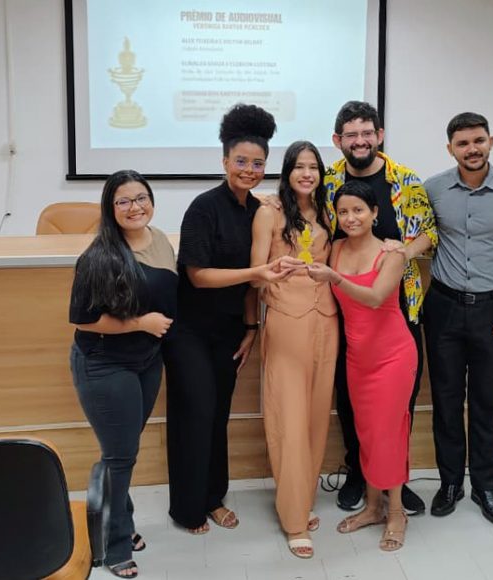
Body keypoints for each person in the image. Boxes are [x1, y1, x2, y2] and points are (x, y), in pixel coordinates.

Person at [164, 103, 299, 535]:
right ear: (224, 162)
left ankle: (214, 498)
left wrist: (251, 328)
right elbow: (199, 277)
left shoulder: (258, 211)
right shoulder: (203, 208)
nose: (249, 169)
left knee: (218, 414)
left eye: (258, 163)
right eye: (241, 161)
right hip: (187, 331)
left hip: (228, 333)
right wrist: (256, 273)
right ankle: (187, 509)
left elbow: (247, 288)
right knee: (196, 414)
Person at [422, 112, 493, 526]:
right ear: (450, 148)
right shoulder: (432, 189)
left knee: (488, 403)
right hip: (443, 308)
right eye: (462, 143)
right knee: (447, 400)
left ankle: (485, 487)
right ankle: (450, 483)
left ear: (491, 141)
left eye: (478, 141)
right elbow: (416, 235)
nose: (471, 149)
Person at [324, 101, 438, 515]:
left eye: (366, 133)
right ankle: (359, 472)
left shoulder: (404, 180)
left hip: (398, 310)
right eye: (351, 135)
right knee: (352, 398)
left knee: (397, 404)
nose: (360, 141)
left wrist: (404, 254)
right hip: (343, 314)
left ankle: (395, 483)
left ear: (380, 136)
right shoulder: (327, 181)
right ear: (338, 141)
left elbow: (428, 231)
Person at [68, 170, 177, 578]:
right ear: (110, 209)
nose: (135, 208)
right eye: (124, 201)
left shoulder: (162, 240)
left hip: (147, 361)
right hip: (103, 363)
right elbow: (82, 319)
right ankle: (114, 546)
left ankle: (120, 521)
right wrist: (139, 324)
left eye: (141, 198)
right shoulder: (99, 256)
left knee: (122, 450)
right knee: (120, 456)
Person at [305, 180, 415, 552]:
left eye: (359, 210)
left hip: (394, 356)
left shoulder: (392, 254)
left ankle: (396, 511)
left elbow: (374, 297)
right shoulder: (334, 247)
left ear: (375, 214)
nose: (350, 218)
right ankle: (372, 507)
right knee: (366, 433)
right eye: (344, 211)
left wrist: (335, 277)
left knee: (389, 433)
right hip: (357, 358)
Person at [250, 141, 337, 559]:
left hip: (327, 317)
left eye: (313, 167)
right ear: (286, 172)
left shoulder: (326, 210)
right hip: (287, 318)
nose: (307, 173)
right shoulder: (268, 211)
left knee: (318, 414)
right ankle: (293, 519)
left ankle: (301, 498)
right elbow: (254, 276)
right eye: (298, 167)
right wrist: (271, 276)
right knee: (291, 415)